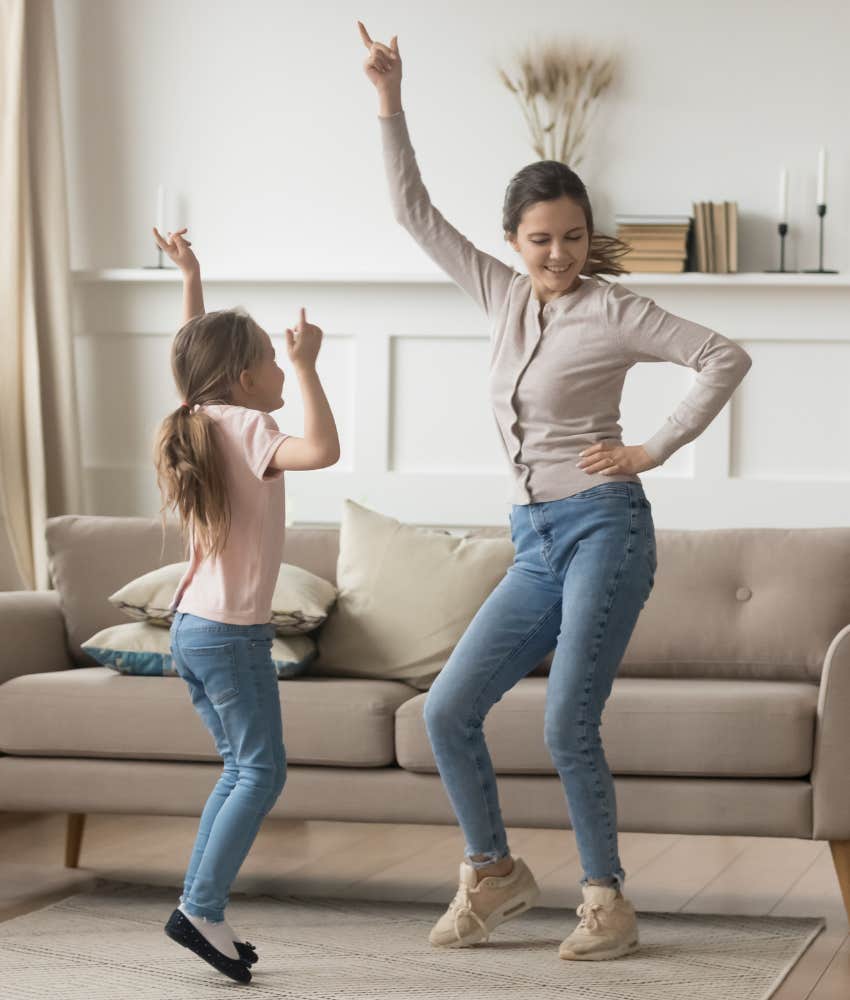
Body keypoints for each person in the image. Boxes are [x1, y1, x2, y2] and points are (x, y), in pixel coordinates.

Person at [357, 22, 752, 961]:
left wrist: (652, 447)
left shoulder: (614, 309)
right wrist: (388, 100)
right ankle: (492, 872)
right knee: (449, 709)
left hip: (606, 531)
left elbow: (721, 356)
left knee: (566, 715)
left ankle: (607, 901)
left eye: (574, 237)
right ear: (513, 240)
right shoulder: (498, 294)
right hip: (532, 540)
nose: (560, 254)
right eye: (542, 240)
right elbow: (414, 213)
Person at [151, 226, 340, 982]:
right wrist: (310, 367)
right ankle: (200, 905)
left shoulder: (199, 418)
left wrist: (192, 276)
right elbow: (322, 449)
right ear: (242, 376)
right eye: (267, 357)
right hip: (229, 635)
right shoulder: (252, 427)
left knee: (240, 768)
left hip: (193, 629)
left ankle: (202, 909)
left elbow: (191, 353)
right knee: (260, 773)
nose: (277, 363)